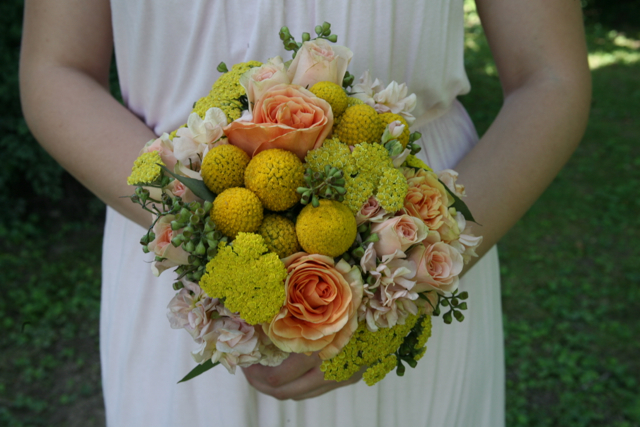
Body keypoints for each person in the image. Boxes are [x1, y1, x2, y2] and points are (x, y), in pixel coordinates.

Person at [19, 0, 591, 425]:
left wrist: (412, 268)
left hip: (410, 242)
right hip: (178, 258)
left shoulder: (410, 263)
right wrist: (201, 235)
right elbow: (57, 67)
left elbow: (550, 76)